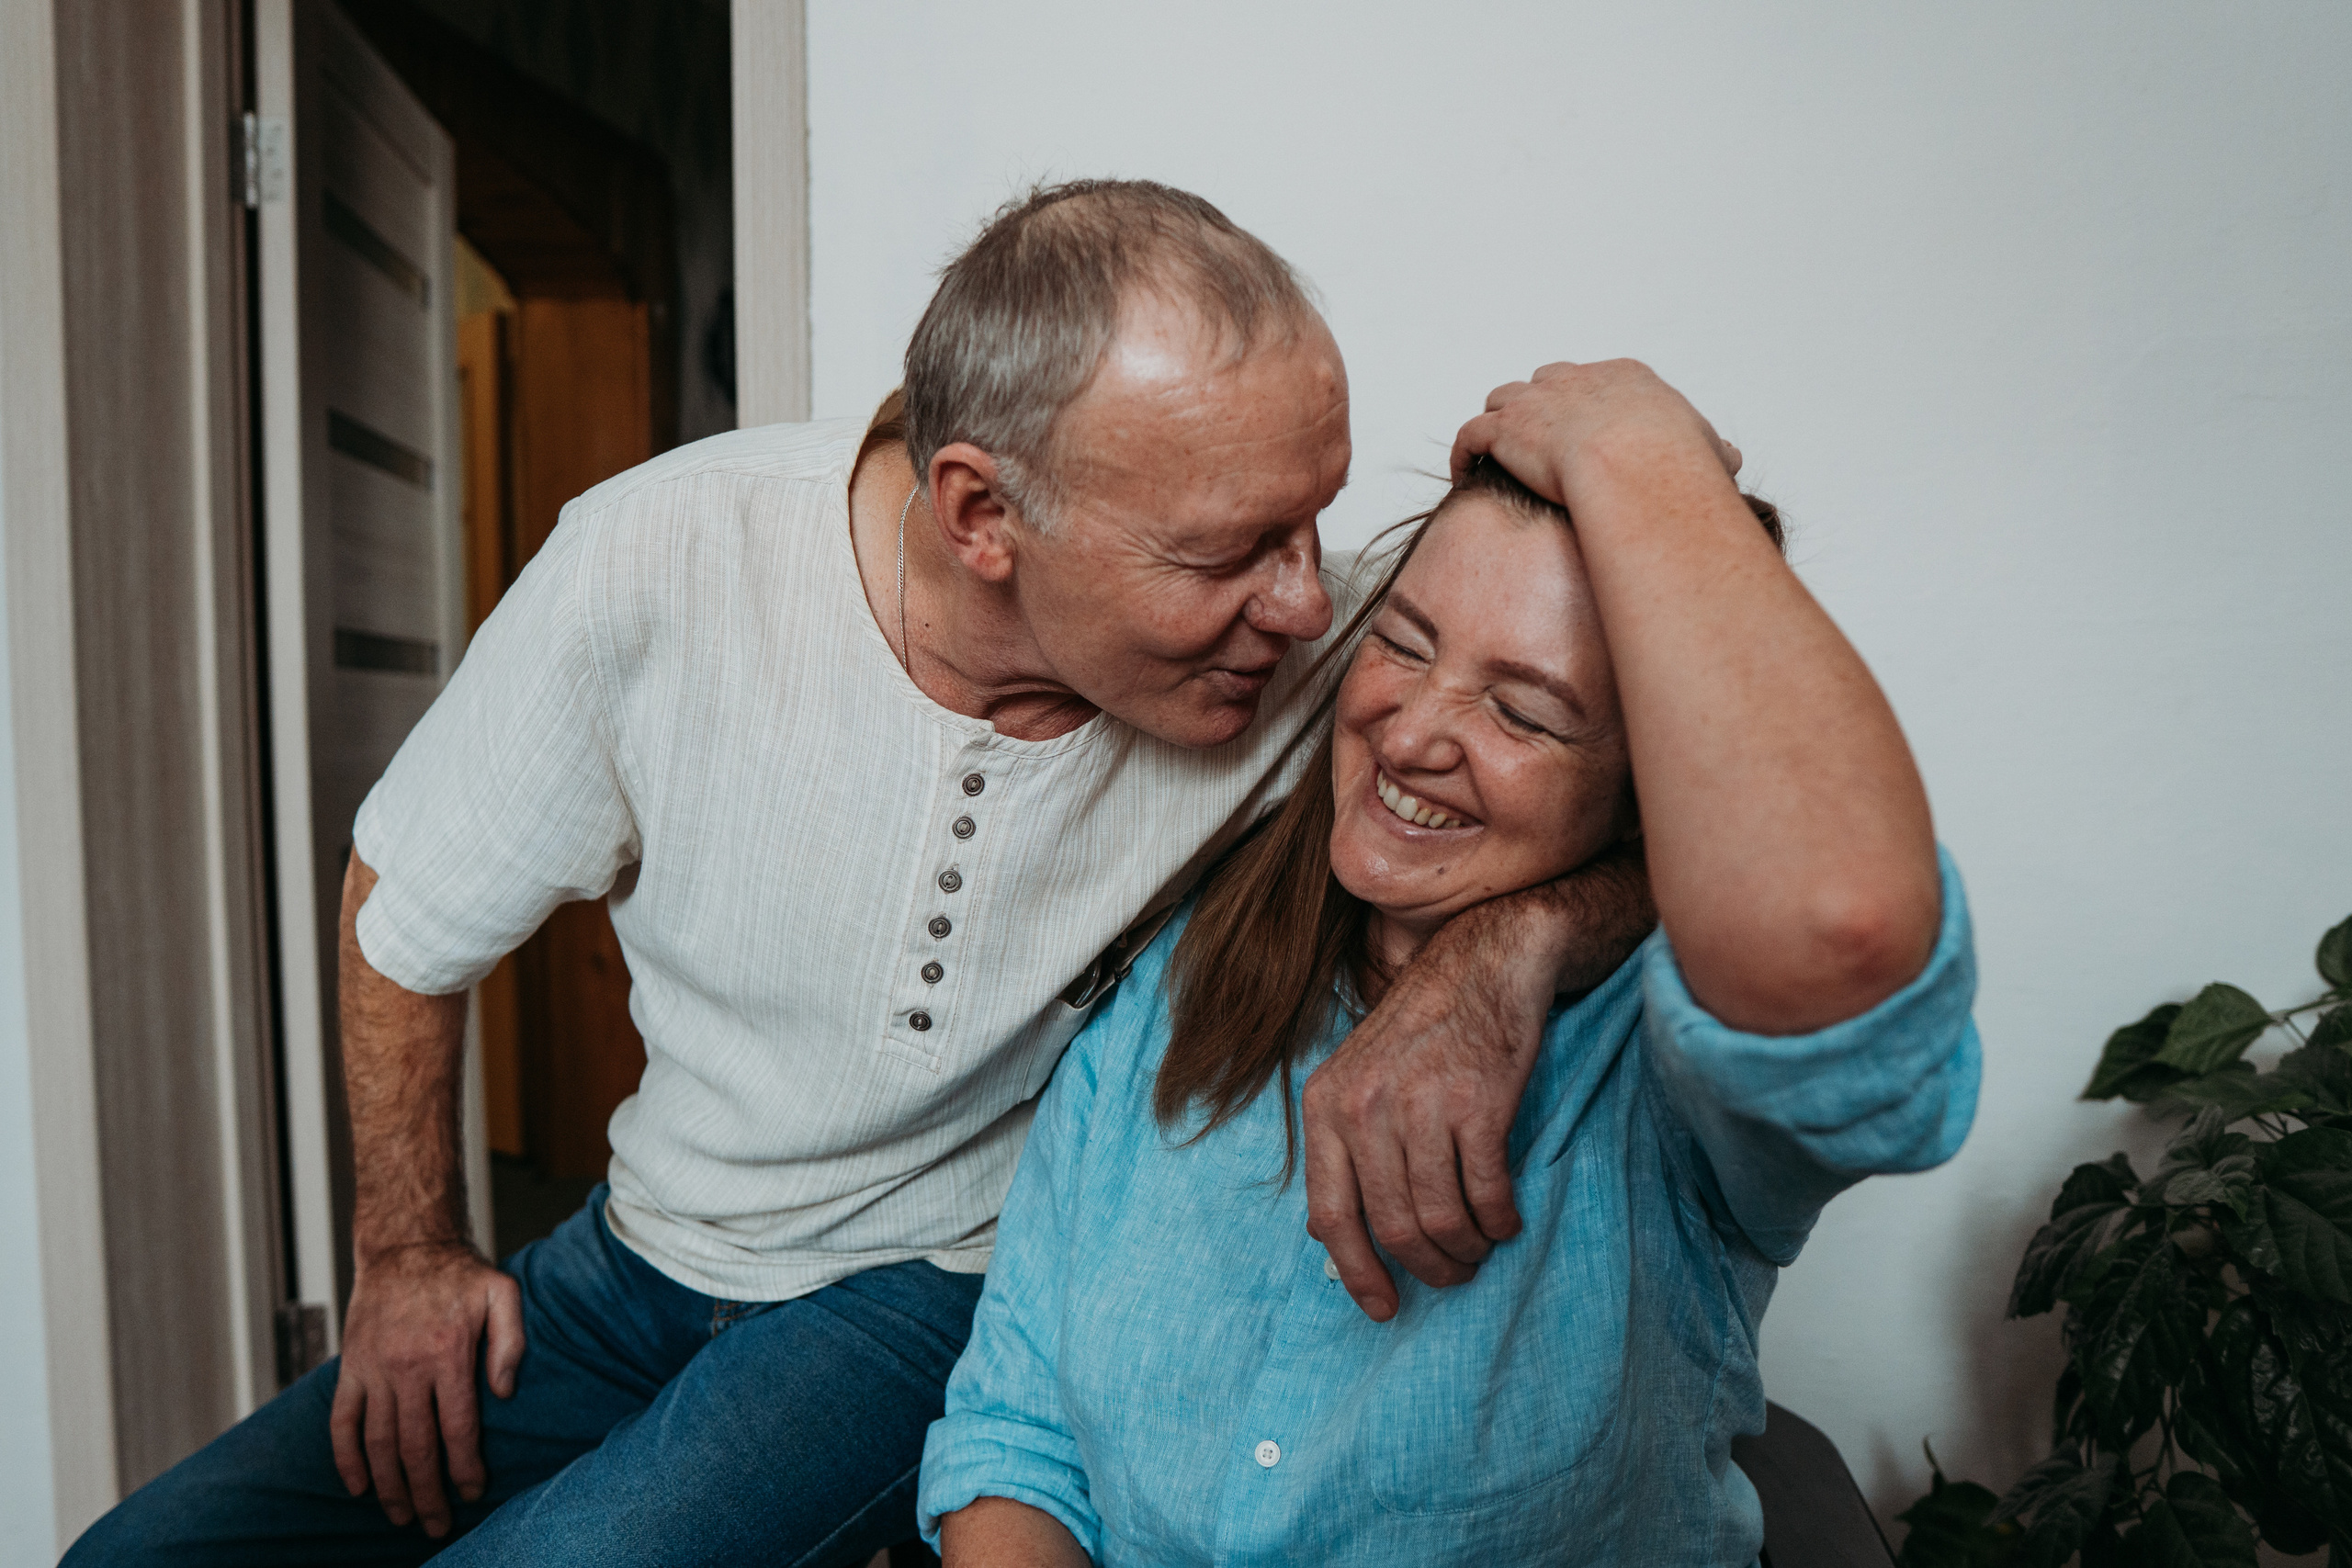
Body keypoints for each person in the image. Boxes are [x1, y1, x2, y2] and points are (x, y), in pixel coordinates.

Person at [65, 184, 1664, 1566]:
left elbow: (1682, 808)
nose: (1310, 604)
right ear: (983, 514)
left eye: (1314, 522)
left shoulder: (1354, 651)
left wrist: (1497, 953)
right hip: (634, 1252)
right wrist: (408, 1255)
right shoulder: (662, 562)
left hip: (921, 1292)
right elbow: (407, 905)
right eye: (1233, 550)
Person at [920, 362, 1981, 1566]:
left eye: (1525, 714)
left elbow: (1836, 925)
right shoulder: (1177, 979)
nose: (1415, 734)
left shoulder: (1669, 1090)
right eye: (1405, 646)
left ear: (1643, 799)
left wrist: (1638, 444)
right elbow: (1020, 1438)